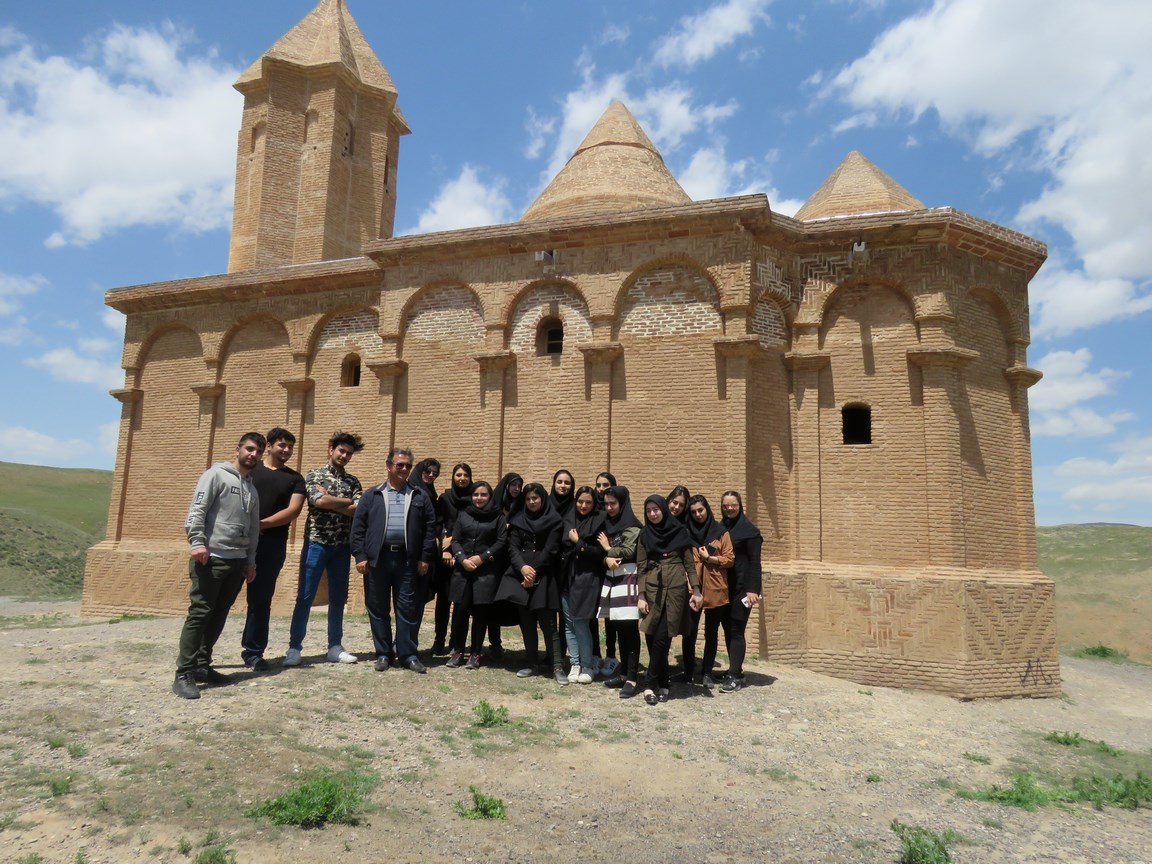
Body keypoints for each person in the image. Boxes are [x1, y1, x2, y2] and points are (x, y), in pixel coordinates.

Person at [173, 432, 265, 699]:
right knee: (200, 613)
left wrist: (250, 561)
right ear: (237, 449)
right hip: (211, 557)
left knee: (219, 614)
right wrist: (197, 542)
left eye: (258, 451)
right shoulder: (215, 475)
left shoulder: (252, 488)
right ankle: (183, 673)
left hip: (237, 561)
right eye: (249, 449)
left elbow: (253, 529)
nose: (254, 455)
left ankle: (203, 665)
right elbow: (197, 511)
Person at [351, 447, 439, 673]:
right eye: (399, 465)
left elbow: (430, 529)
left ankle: (408, 654)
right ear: (389, 466)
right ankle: (383, 653)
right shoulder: (373, 495)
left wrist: (425, 557)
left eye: (408, 466)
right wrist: (360, 555)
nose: (404, 469)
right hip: (377, 560)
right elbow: (358, 528)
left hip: (408, 561)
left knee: (407, 609)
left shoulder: (419, 495)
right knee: (378, 608)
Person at [283, 431, 364, 667]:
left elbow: (358, 508)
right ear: (331, 449)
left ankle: (335, 647)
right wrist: (342, 503)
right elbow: (318, 501)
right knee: (305, 596)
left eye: (349, 453)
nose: (344, 456)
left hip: (342, 545)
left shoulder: (353, 481)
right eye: (341, 451)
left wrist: (332, 500)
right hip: (316, 543)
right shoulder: (314, 474)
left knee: (338, 598)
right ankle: (294, 648)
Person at [241, 427, 306, 672]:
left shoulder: (294, 478)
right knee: (222, 597)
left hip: (271, 545)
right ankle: (205, 654)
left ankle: (253, 652)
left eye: (290, 446)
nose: (287, 450)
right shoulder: (251, 470)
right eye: (282, 445)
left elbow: (294, 511)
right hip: (239, 541)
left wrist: (261, 524)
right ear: (268, 446)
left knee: (260, 599)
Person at [498, 482, 566, 684]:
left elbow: (550, 550)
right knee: (526, 623)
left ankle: (557, 667)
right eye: (528, 499)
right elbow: (513, 548)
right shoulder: (519, 520)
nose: (532, 502)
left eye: (535, 498)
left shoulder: (554, 520)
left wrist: (532, 573)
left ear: (542, 499)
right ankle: (532, 663)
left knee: (548, 624)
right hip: (522, 575)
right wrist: (523, 569)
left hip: (543, 577)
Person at [637, 495, 701, 704]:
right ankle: (663, 682)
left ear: (663, 509)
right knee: (651, 635)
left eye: (656, 509)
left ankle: (648, 684)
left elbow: (689, 564)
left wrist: (697, 590)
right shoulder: (645, 534)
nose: (653, 514)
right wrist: (641, 595)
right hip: (653, 588)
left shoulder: (680, 531)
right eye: (649, 511)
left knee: (663, 636)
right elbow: (641, 567)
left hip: (675, 588)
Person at [446, 481, 506, 669]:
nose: (479, 498)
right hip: (463, 571)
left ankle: (475, 653)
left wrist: (482, 558)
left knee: (481, 613)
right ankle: (458, 651)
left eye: (483, 495)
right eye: (476, 495)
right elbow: (455, 540)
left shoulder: (498, 516)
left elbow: (501, 541)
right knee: (461, 612)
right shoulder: (464, 514)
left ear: (490, 497)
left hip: (485, 572)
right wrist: (463, 559)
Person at [596, 485, 643, 698]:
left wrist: (608, 549)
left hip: (629, 580)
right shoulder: (608, 523)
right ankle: (624, 674)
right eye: (606, 504)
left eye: (613, 504)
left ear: (622, 503)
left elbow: (629, 550)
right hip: (614, 581)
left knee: (630, 631)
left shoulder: (632, 526)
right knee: (620, 630)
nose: (609, 508)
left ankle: (633, 678)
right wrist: (605, 557)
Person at [686, 494, 734, 687]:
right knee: (690, 631)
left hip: (716, 589)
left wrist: (710, 559)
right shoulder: (687, 533)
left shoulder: (721, 532)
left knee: (711, 633)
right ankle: (688, 671)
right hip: (693, 589)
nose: (698, 514)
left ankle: (706, 672)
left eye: (701, 510)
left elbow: (730, 559)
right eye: (694, 512)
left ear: (707, 509)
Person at [717, 491, 763, 693]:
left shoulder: (750, 531)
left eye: (733, 505)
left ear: (740, 505)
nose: (729, 508)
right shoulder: (720, 529)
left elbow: (755, 562)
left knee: (736, 630)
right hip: (725, 587)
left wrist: (753, 589)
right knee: (728, 629)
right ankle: (736, 670)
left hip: (743, 589)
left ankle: (735, 676)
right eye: (725, 505)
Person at [561, 485, 606, 684]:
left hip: (588, 578)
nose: (584, 505)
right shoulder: (569, 518)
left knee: (581, 623)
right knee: (569, 625)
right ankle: (575, 664)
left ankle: (587, 665)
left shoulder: (600, 520)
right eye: (580, 501)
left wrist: (578, 542)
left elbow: (598, 553)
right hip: (567, 576)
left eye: (588, 502)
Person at [412, 458, 450, 655]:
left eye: (435, 473)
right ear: (421, 471)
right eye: (428, 472)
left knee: (418, 600)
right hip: (412, 555)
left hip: (428, 555)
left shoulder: (430, 493)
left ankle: (410, 643)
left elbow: (435, 523)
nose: (431, 476)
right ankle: (405, 643)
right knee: (411, 601)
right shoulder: (412, 490)